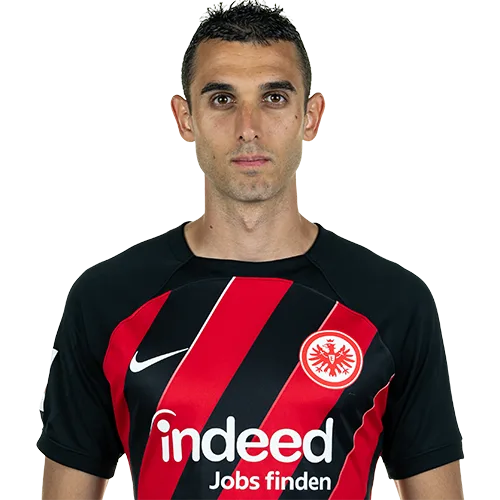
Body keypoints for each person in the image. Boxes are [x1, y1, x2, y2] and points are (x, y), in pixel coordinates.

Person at [37, 1, 464, 499]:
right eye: (222, 99)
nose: (248, 126)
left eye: (274, 98)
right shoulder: (106, 299)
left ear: (311, 116)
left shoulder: (394, 301)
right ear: (185, 118)